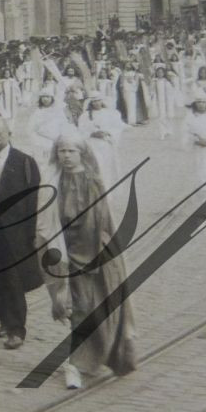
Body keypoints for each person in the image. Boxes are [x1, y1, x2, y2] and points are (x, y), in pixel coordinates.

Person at [45, 132, 138, 390]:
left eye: (71, 151)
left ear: (81, 153)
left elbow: (97, 222)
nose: (66, 156)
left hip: (96, 253)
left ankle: (98, 357)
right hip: (69, 253)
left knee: (100, 307)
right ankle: (77, 362)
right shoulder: (56, 180)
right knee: (81, 309)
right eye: (62, 151)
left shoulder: (92, 181)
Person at [0, 116, 44, 351]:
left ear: (9, 134)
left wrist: (29, 232)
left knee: (13, 280)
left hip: (14, 230)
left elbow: (32, 200)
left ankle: (17, 329)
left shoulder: (24, 162)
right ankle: (5, 322)